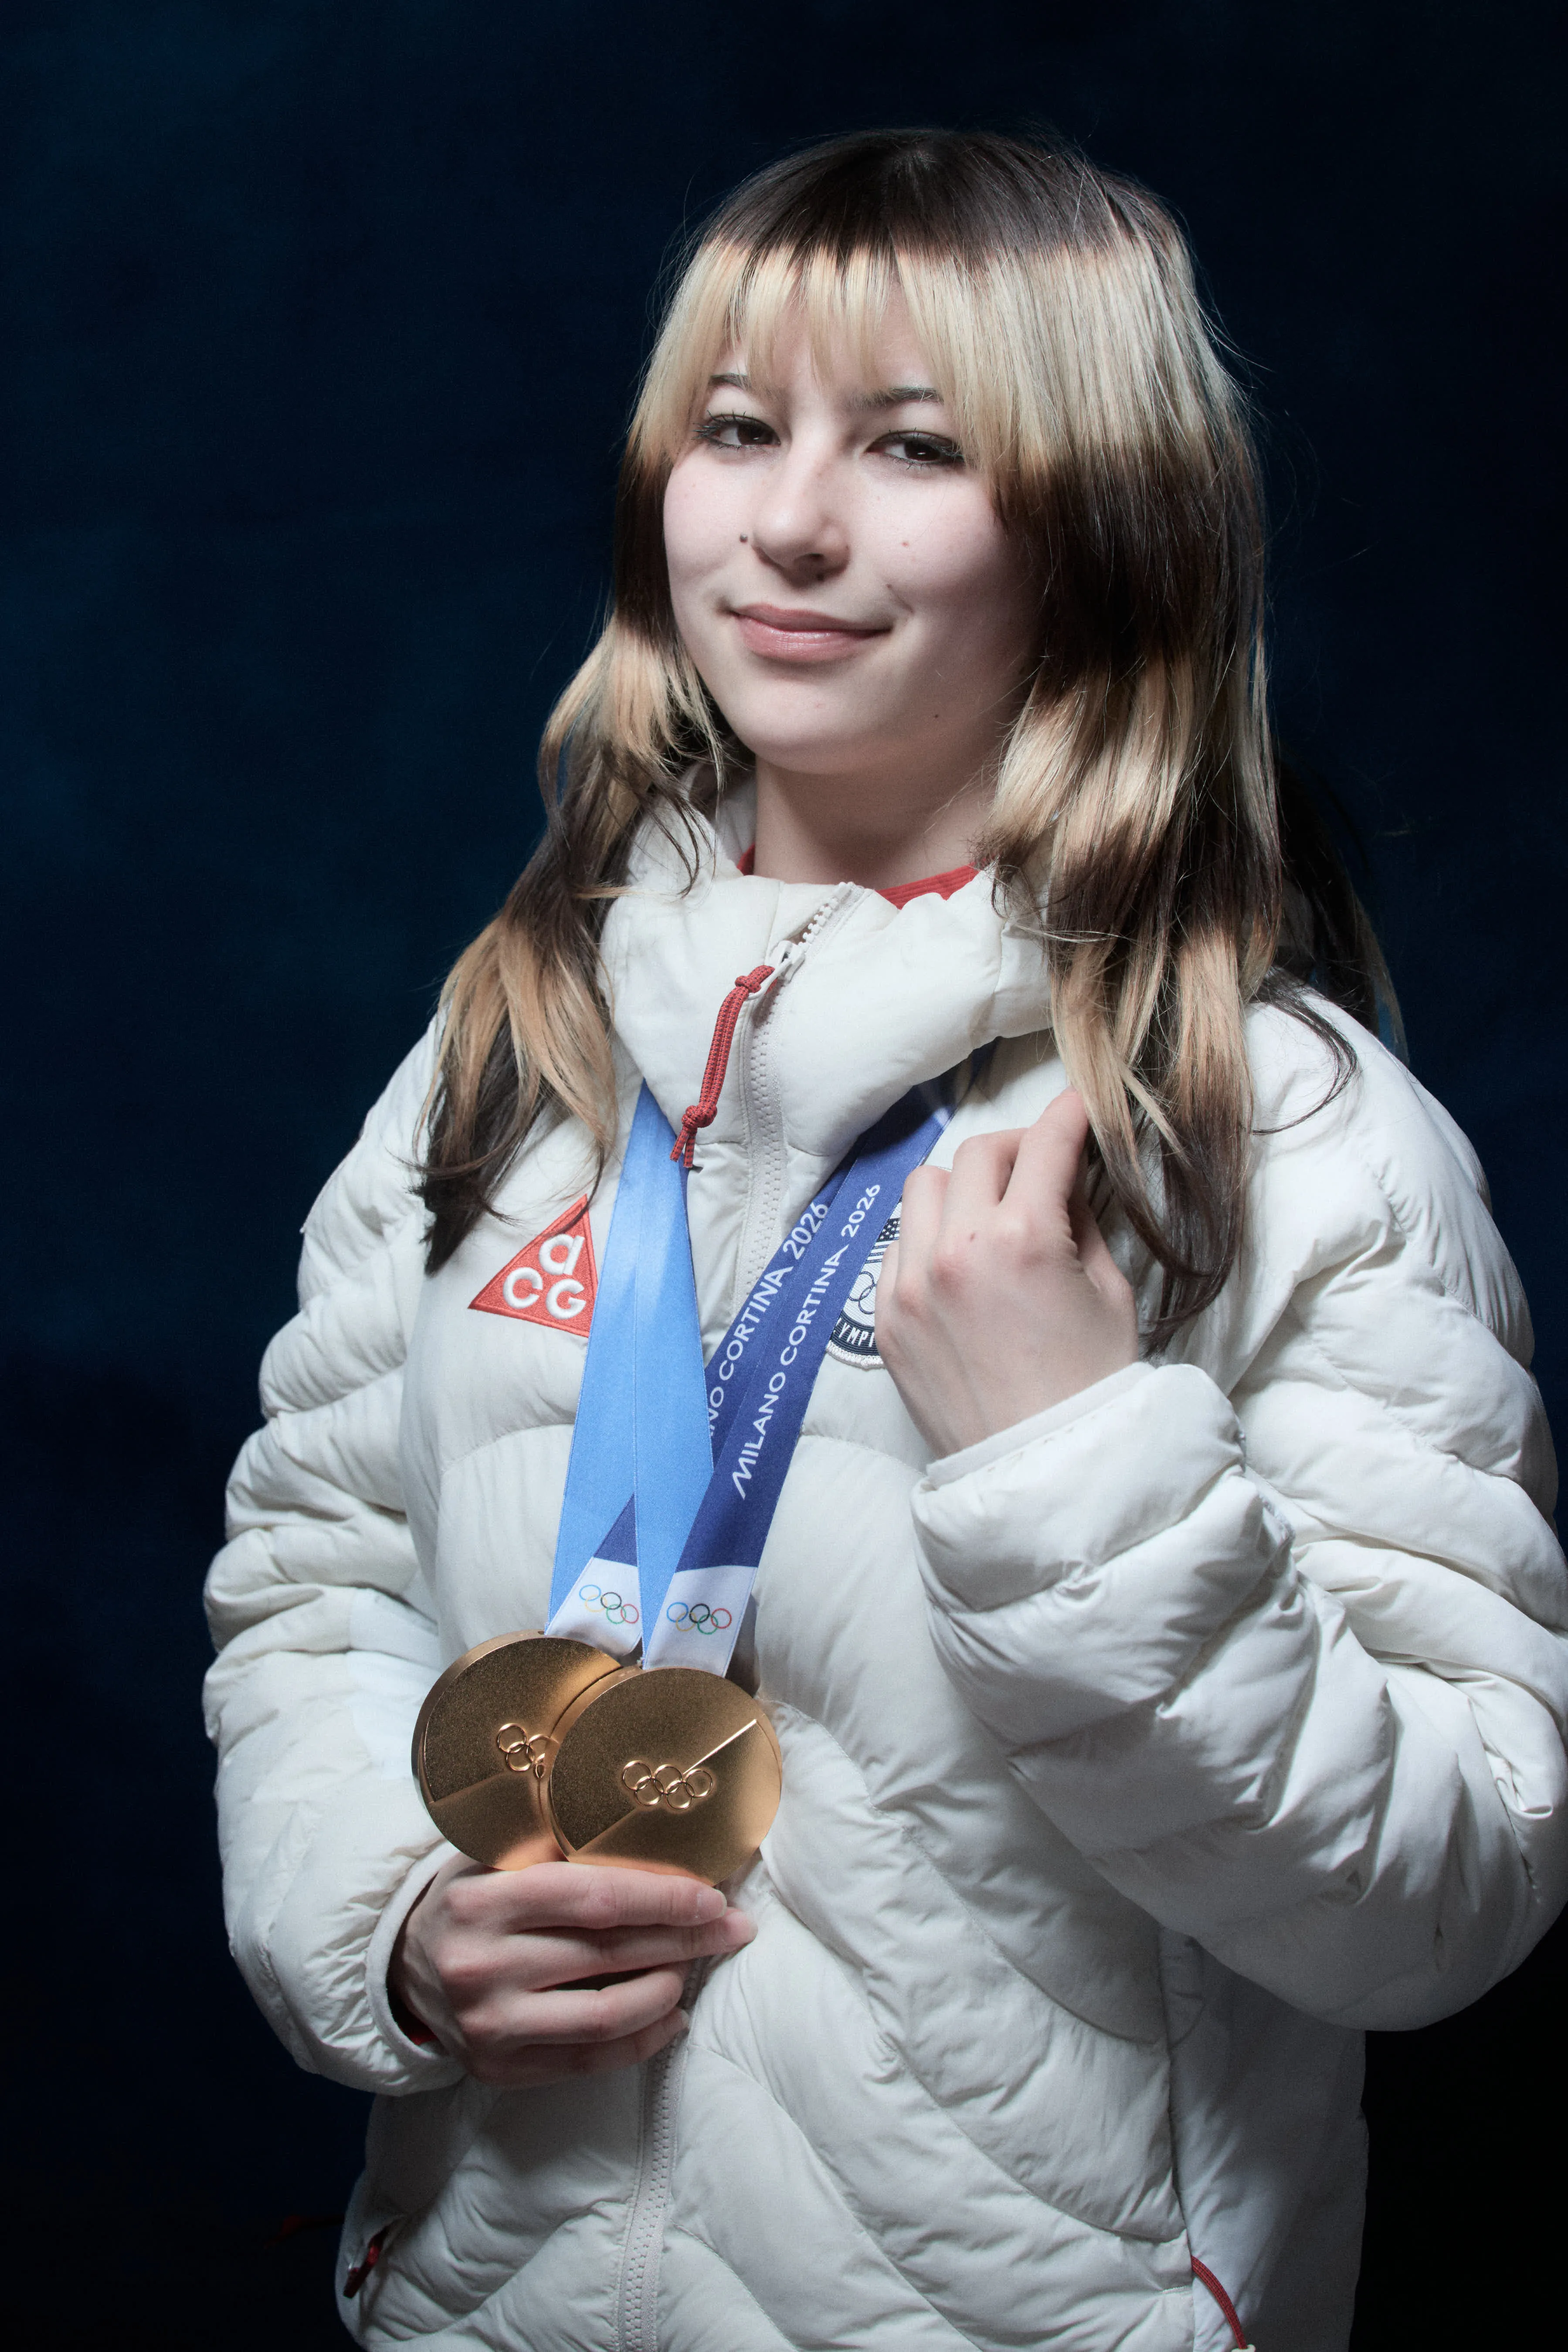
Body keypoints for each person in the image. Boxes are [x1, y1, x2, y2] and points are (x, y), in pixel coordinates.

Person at [204, 130, 1568, 2352]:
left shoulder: (1270, 1123)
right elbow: (313, 1587)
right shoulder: (504, 1062)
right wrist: (381, 1923)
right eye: (737, 430)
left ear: (1099, 528)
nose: (791, 523)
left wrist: (1072, 1465)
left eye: (913, 444)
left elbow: (1447, 1893)